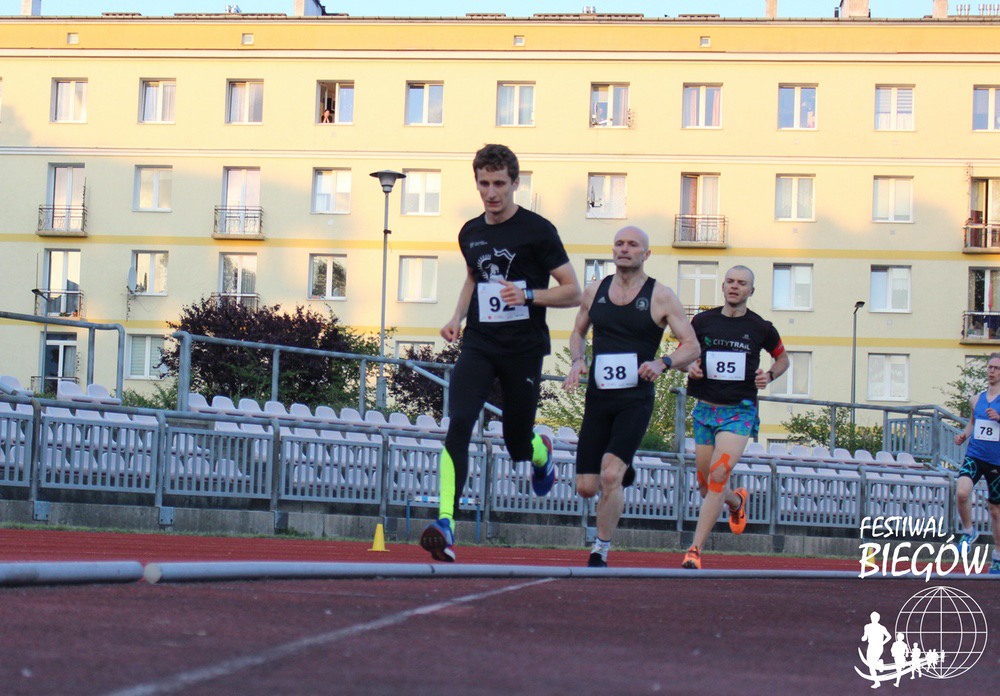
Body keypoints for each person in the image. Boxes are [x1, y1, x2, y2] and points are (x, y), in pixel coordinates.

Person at [420, 144, 582, 562]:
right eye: (484, 184)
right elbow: (473, 277)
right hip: (479, 343)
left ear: (515, 183)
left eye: (499, 184)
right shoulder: (470, 232)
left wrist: (528, 295)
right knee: (459, 423)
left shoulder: (538, 231)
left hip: (523, 349)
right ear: (476, 182)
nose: (491, 193)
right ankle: (446, 523)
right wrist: (456, 317)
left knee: (516, 443)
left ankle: (541, 451)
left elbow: (573, 291)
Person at [563, 226, 699, 567]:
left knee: (609, 477)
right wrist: (578, 361)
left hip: (635, 399)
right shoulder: (595, 290)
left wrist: (662, 363)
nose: (624, 249)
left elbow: (692, 346)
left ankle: (600, 550)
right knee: (586, 487)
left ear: (646, 254)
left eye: (633, 244)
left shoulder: (661, 296)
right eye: (619, 243)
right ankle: (624, 470)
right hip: (598, 398)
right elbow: (577, 332)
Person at [681, 265, 789, 570]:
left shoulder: (761, 327)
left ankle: (694, 550)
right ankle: (736, 501)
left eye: (741, 283)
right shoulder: (702, 321)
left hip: (739, 411)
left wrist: (770, 375)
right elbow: (683, 354)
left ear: (750, 291)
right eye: (730, 281)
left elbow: (783, 358)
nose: (734, 286)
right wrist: (689, 366)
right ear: (723, 286)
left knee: (718, 474)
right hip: (705, 409)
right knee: (706, 486)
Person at [952, 351, 1000, 575]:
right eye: (990, 367)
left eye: (996, 368)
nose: (992, 371)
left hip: (996, 461)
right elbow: (973, 422)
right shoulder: (976, 399)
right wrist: (964, 435)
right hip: (975, 455)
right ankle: (969, 531)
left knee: (996, 511)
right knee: (962, 492)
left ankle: (997, 556)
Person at [861, 611, 892, 689]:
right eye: (872, 617)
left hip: (878, 646)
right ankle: (877, 681)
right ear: (871, 618)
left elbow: (889, 636)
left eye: (875, 617)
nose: (873, 618)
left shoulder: (881, 627)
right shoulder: (867, 626)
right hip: (870, 646)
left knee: (871, 664)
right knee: (870, 666)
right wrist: (863, 638)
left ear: (878, 618)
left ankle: (879, 663)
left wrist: (882, 643)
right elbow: (865, 637)